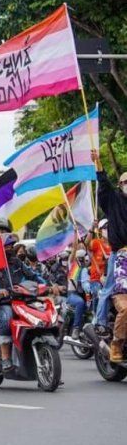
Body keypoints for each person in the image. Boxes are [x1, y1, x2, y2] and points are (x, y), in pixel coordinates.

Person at [0, 233, 41, 370]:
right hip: (2, 303)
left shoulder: (17, 262)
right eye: (7, 246)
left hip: (21, 301)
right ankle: (5, 358)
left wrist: (50, 285)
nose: (10, 248)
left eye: (12, 246)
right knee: (7, 317)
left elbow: (33, 276)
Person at [93, 150, 127, 361]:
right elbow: (104, 188)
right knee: (110, 293)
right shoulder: (115, 201)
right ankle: (102, 325)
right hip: (121, 257)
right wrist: (98, 164)